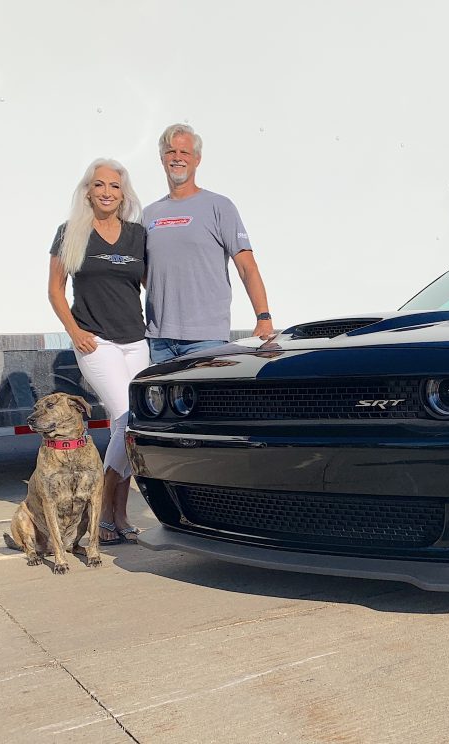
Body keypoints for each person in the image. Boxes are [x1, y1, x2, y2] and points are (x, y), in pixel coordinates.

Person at [47, 159, 148, 545]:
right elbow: (55, 289)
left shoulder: (137, 235)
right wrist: (75, 332)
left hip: (135, 341)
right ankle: (100, 510)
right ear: (87, 190)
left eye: (115, 186)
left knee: (129, 429)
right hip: (96, 342)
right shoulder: (70, 233)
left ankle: (118, 516)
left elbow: (149, 284)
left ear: (124, 194)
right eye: (99, 184)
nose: (107, 191)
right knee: (128, 417)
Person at [143, 123, 274, 364]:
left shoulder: (219, 206)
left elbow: (247, 266)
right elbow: (144, 273)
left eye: (185, 152)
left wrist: (263, 318)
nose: (177, 158)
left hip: (206, 339)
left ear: (197, 159)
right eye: (171, 151)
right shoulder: (149, 214)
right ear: (162, 158)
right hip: (159, 340)